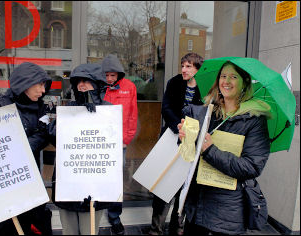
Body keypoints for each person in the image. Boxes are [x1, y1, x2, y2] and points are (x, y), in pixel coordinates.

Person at [177, 61, 271, 235]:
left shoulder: (255, 120)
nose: (226, 81)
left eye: (233, 77)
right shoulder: (208, 113)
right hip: (197, 205)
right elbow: (191, 155)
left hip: (227, 212)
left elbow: (251, 166)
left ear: (244, 83)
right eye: (223, 76)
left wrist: (211, 150)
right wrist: (186, 137)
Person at [0, 62, 53, 235]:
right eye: (40, 85)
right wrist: (20, 145)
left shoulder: (40, 106)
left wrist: (21, 145)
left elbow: (43, 134)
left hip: (28, 175)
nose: (43, 91)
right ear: (26, 83)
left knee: (27, 223)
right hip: (4, 178)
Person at [51, 63, 112, 235]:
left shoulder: (108, 112)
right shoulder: (68, 109)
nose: (81, 85)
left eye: (86, 81)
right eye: (78, 82)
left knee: (89, 231)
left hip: (94, 187)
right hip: (69, 186)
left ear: (98, 84)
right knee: (69, 231)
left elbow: (110, 145)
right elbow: (58, 140)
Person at [149, 52, 204, 235]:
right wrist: (177, 126)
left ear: (197, 68)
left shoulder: (204, 87)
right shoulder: (174, 82)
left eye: (188, 66)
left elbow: (206, 114)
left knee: (184, 187)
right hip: (171, 137)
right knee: (163, 184)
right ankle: (156, 229)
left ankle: (176, 228)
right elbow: (166, 108)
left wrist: (190, 131)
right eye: (183, 65)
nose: (184, 69)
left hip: (192, 143)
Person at [101, 54, 138, 235]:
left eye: (112, 75)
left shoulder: (129, 87)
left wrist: (126, 140)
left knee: (116, 179)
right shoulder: (99, 87)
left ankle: (114, 216)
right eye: (106, 75)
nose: (109, 79)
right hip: (99, 141)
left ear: (119, 74)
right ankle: (97, 208)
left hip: (119, 142)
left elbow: (132, 115)